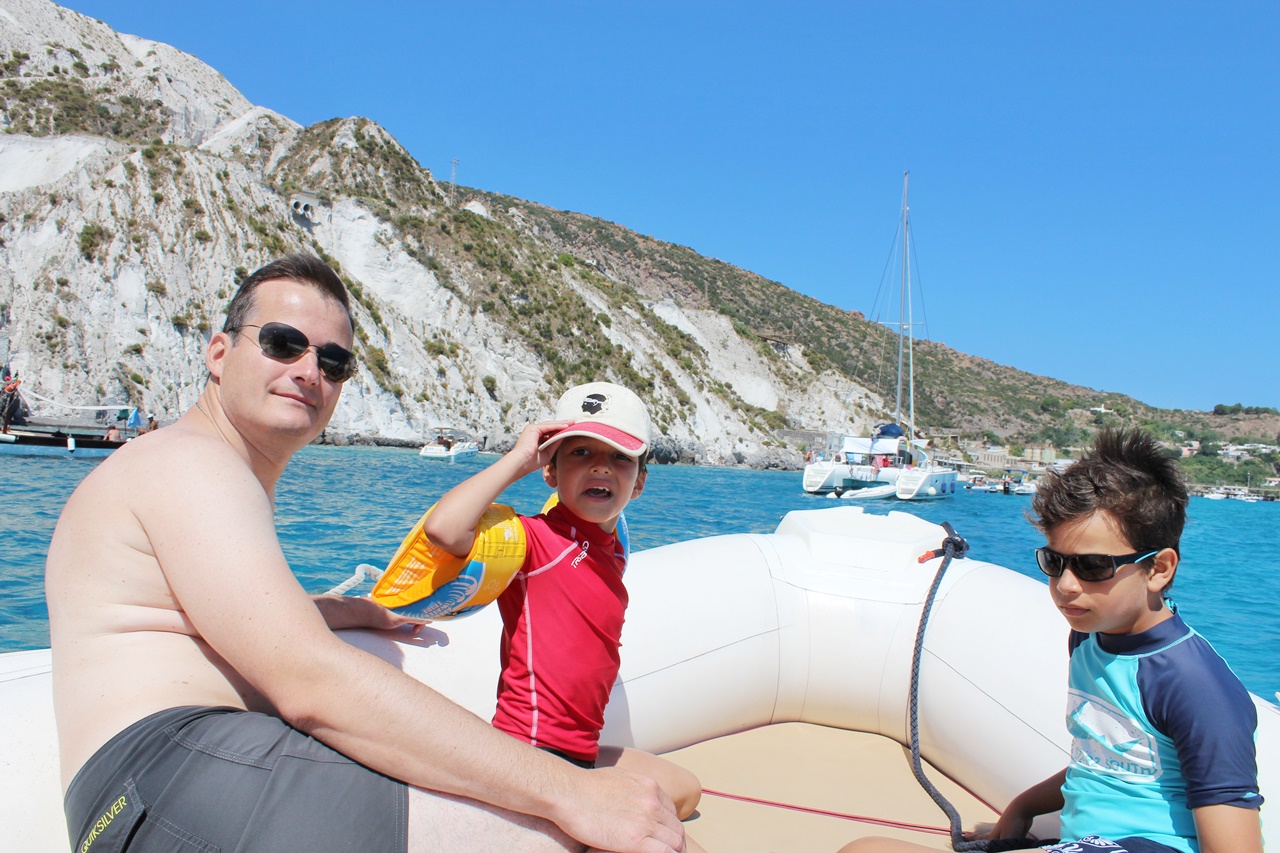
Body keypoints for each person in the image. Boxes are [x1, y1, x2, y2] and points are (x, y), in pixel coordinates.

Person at [45, 255, 686, 853]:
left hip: (164, 785)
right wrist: (571, 793)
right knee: (585, 835)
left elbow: (216, 616)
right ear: (218, 353)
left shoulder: (194, 469)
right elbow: (311, 679)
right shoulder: (191, 463)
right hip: (174, 773)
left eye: (333, 360)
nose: (308, 370)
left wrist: (351, 610)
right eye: (281, 343)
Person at [837, 428, 1263, 853]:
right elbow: (1101, 764)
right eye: (1054, 562)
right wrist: (1023, 807)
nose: (1066, 585)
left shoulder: (1194, 685)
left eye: (1093, 566)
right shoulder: (1086, 640)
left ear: (1158, 569)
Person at [423, 382, 705, 846]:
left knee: (684, 791)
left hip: (582, 752)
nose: (600, 466)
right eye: (579, 453)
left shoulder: (612, 551)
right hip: (532, 754)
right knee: (670, 838)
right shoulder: (534, 541)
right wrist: (518, 460)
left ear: (638, 483)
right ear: (550, 473)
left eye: (619, 457)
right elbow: (444, 529)